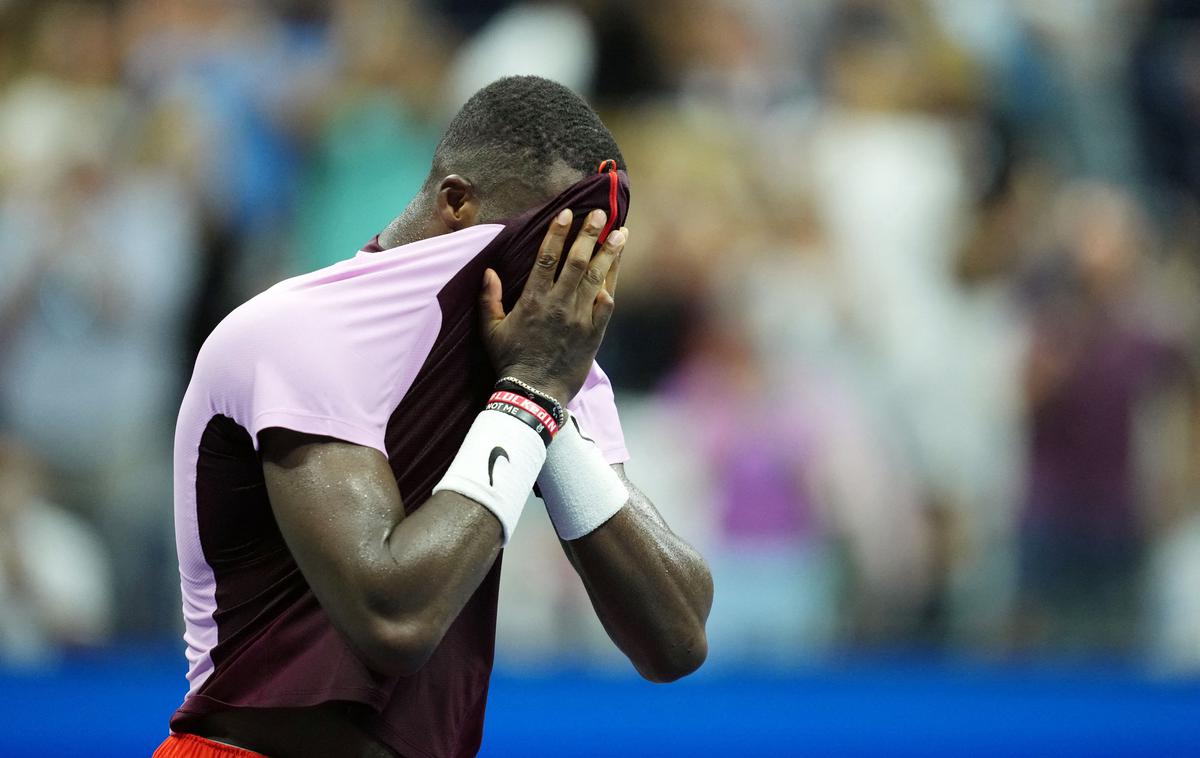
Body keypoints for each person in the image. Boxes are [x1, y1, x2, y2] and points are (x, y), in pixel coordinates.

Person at [156, 76, 713, 758]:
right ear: (456, 201)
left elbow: (676, 638)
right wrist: (530, 397)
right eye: (552, 246)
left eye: (593, 256)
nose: (568, 282)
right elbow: (394, 619)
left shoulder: (549, 355)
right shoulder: (299, 333)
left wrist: (549, 413)